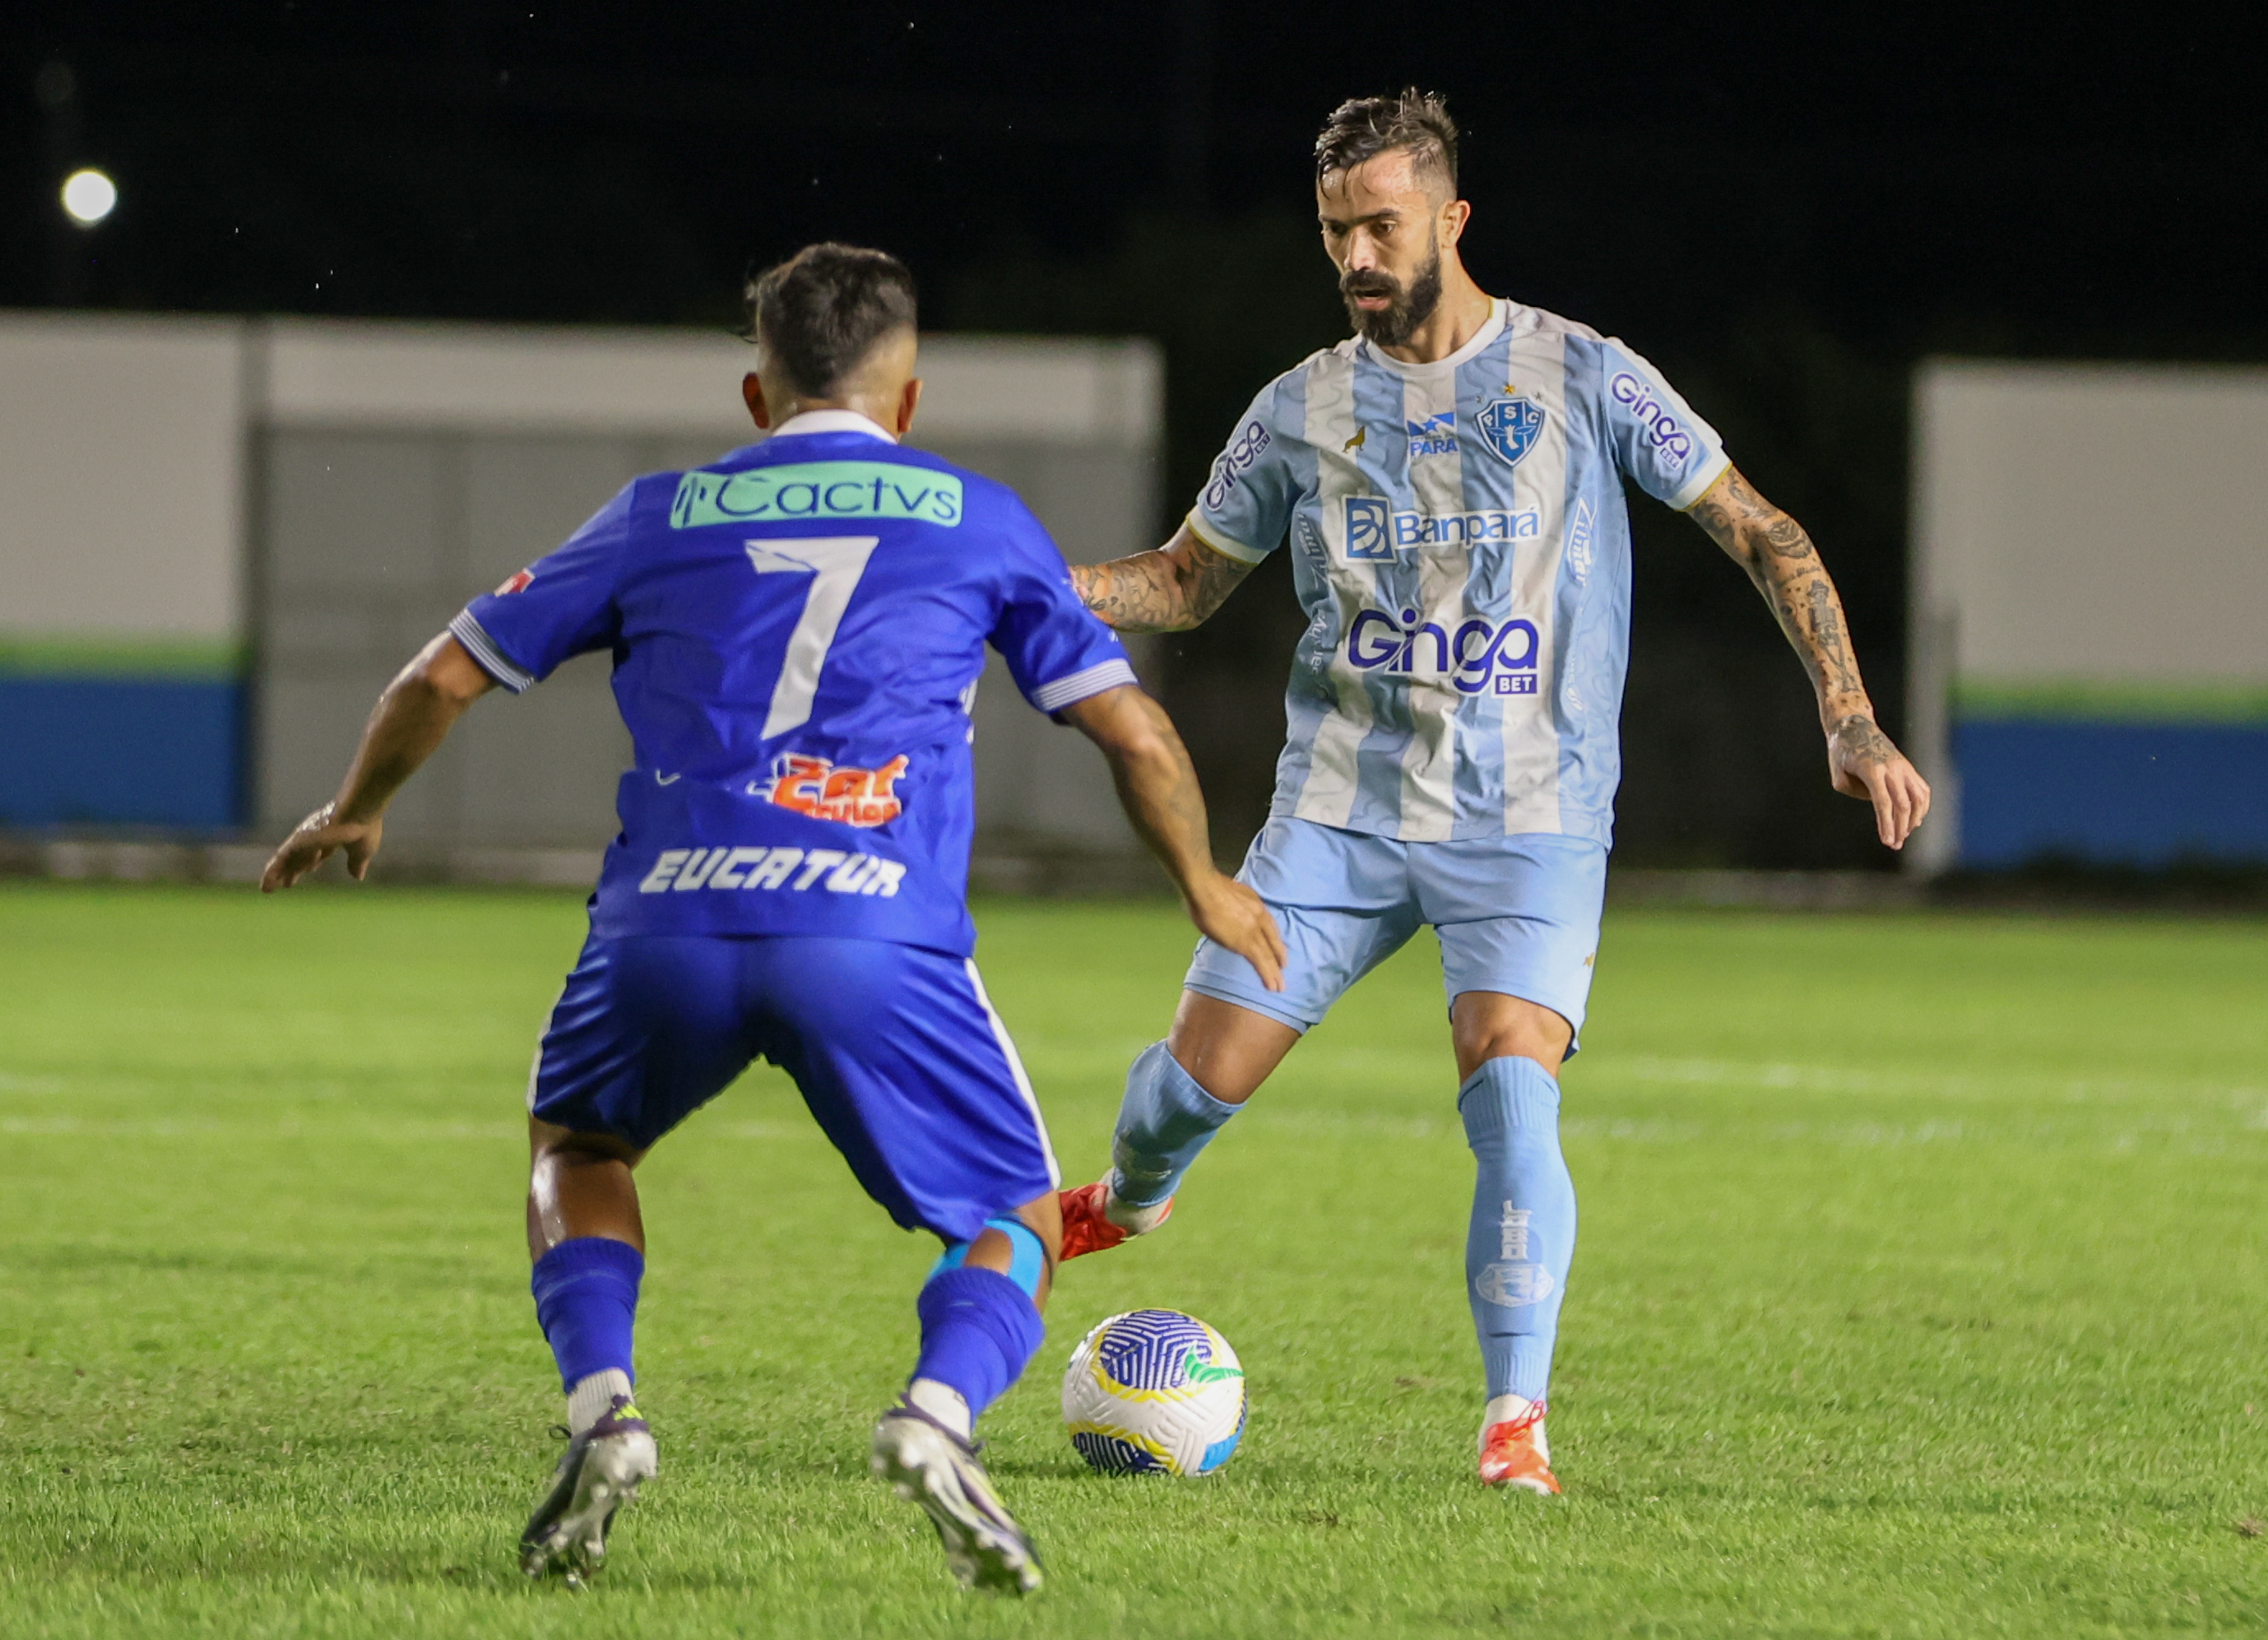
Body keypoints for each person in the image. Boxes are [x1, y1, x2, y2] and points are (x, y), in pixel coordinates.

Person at [260, 243, 1284, 1594]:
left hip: (665, 930)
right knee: (1016, 1213)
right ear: (907, 398)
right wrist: (1204, 880)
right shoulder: (976, 517)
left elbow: (441, 676)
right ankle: (935, 1412)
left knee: (580, 1145)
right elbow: (1132, 729)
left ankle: (604, 1410)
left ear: (757, 394)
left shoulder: (658, 511)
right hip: (872, 938)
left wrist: (356, 807)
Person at [1054, 91, 1931, 1496]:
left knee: (1512, 1088)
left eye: (1381, 225)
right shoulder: (1297, 409)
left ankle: (1513, 1419)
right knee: (1188, 1088)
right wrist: (1026, 584)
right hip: (1337, 813)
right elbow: (1181, 582)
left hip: (1529, 815)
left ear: (1452, 218)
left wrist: (1850, 715)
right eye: (1334, 229)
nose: (1355, 255)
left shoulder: (1583, 374)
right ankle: (1133, 1194)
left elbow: (1761, 532)